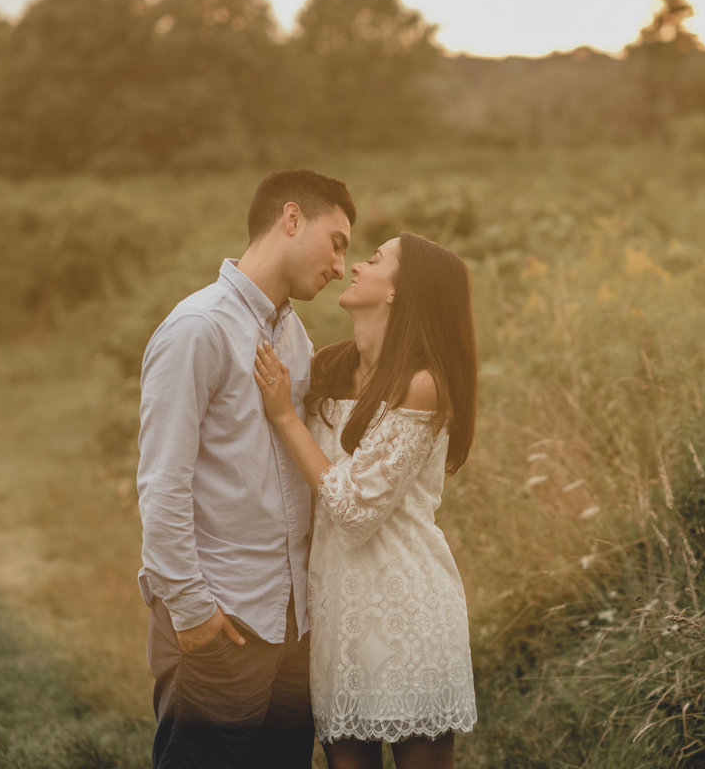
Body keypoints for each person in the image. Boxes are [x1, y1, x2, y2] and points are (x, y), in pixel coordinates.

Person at [137, 169, 356, 769]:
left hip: (291, 621)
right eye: (336, 242)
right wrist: (191, 608)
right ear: (291, 219)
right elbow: (162, 481)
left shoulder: (292, 331)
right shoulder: (198, 328)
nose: (341, 266)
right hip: (224, 616)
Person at [252, 230, 478, 769]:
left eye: (375, 259)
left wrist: (285, 416)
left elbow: (353, 510)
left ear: (400, 291)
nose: (355, 266)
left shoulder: (422, 385)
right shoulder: (327, 368)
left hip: (408, 610)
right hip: (339, 615)